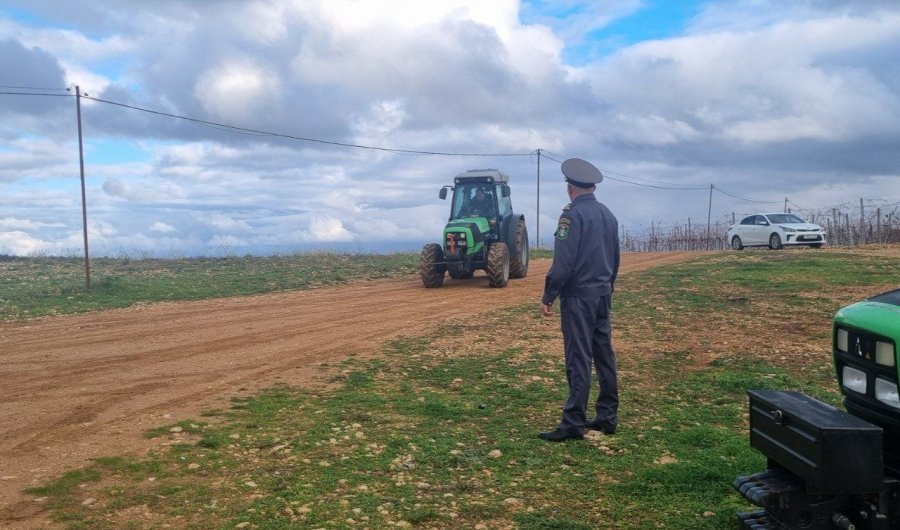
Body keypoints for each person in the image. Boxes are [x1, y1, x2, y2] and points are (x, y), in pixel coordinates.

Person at [538, 158, 620, 442]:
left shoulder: (570, 217)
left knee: (578, 356)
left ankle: (573, 422)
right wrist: (608, 286)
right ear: (592, 187)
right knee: (604, 354)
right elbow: (615, 257)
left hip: (578, 297)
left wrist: (549, 294)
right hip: (602, 294)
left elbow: (564, 262)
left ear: (570, 188)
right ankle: (607, 416)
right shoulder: (608, 214)